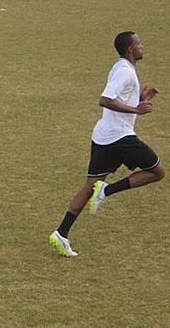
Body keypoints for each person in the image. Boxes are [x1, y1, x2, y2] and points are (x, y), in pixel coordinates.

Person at [49, 31, 164, 257]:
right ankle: (107, 190)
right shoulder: (126, 73)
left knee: (88, 186)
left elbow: (116, 98)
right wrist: (136, 109)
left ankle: (61, 233)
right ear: (130, 49)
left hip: (103, 135)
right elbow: (105, 99)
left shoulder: (121, 67)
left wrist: (139, 98)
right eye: (138, 43)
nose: (142, 46)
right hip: (120, 138)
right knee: (157, 171)